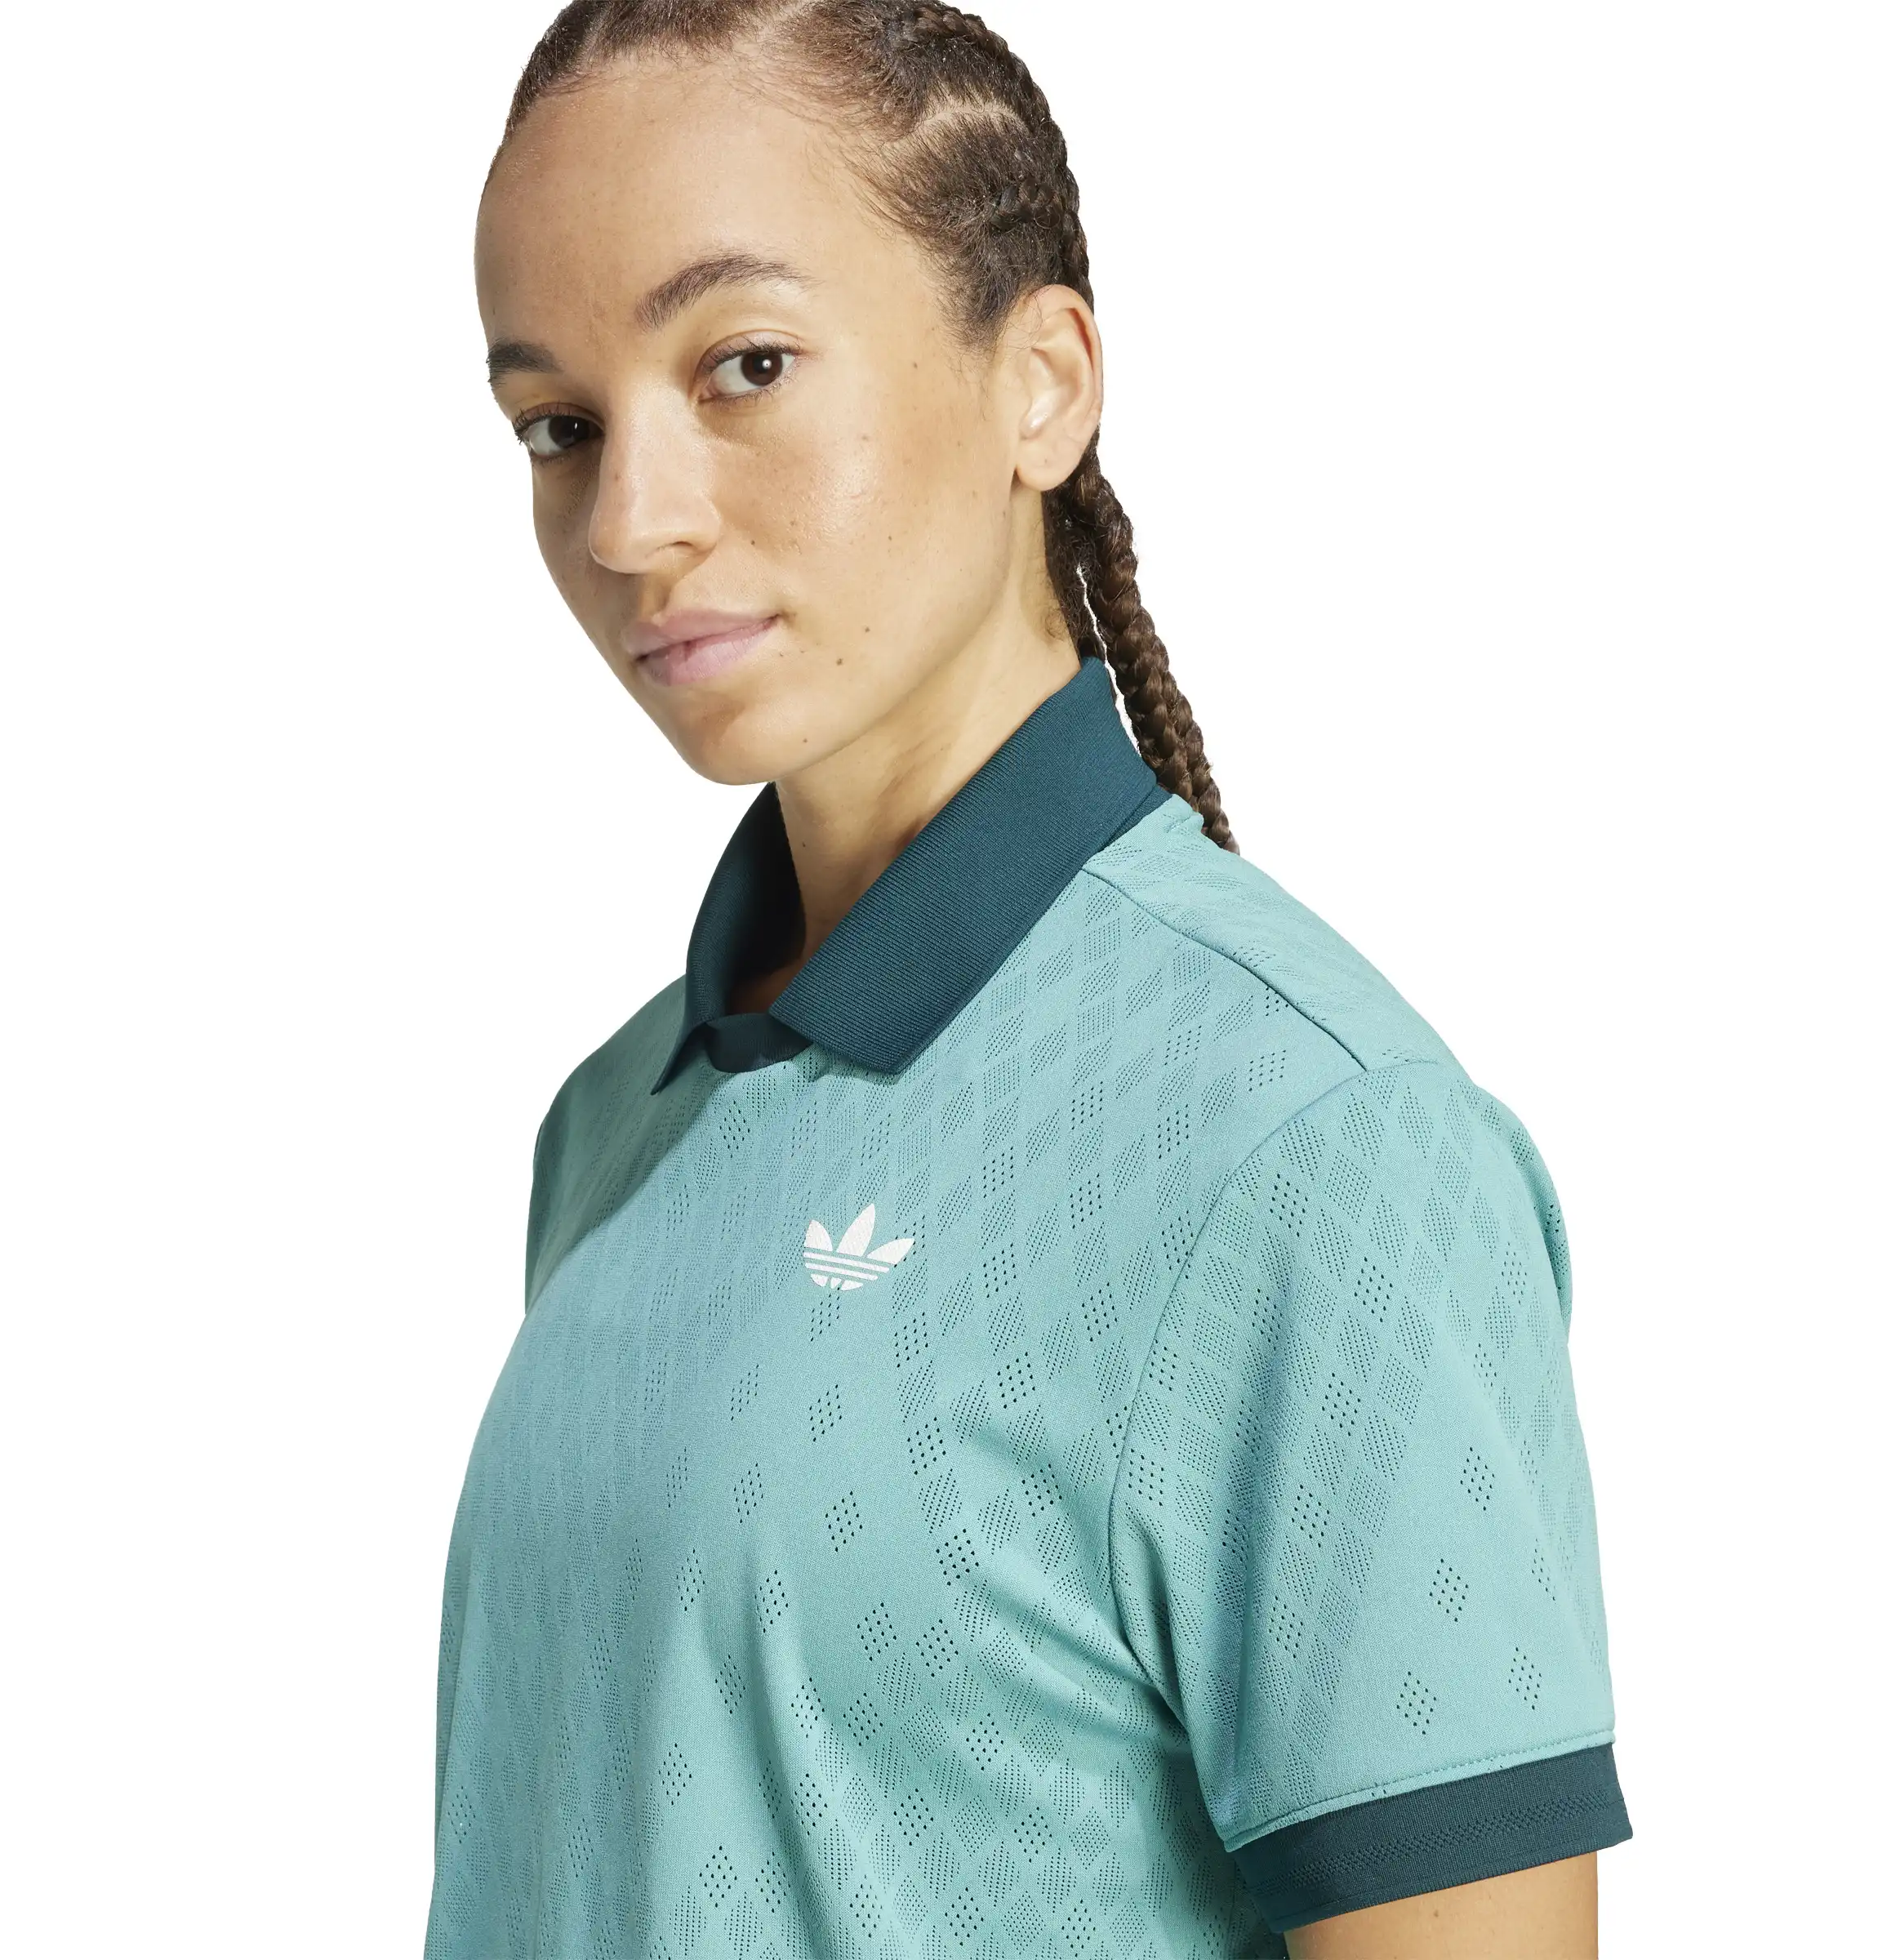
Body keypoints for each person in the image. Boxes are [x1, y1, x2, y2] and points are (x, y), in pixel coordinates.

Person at [429, 3, 1631, 1954]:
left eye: (745, 366)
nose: (631, 519)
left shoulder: (1315, 1144)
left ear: (1043, 383)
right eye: (558, 424)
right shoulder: (619, 1121)